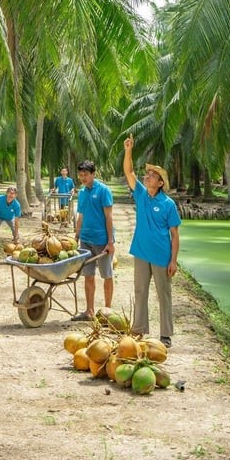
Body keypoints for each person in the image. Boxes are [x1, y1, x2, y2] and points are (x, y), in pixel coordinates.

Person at [123, 135, 181, 348]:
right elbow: (129, 172)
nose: (146, 177)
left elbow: (175, 235)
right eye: (147, 174)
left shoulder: (168, 204)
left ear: (160, 182)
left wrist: (173, 260)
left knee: (163, 294)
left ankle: (165, 334)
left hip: (161, 256)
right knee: (140, 292)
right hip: (141, 252)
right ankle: (139, 330)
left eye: (151, 175)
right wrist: (129, 149)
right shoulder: (140, 194)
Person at [71, 160, 115, 321]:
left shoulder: (103, 190)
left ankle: (108, 312)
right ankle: (89, 311)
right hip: (86, 241)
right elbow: (80, 216)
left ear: (93, 174)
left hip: (102, 240)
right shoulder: (82, 192)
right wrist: (76, 236)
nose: (82, 177)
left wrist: (110, 242)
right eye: (80, 175)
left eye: (85, 175)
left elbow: (109, 216)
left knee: (106, 275)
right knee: (88, 276)